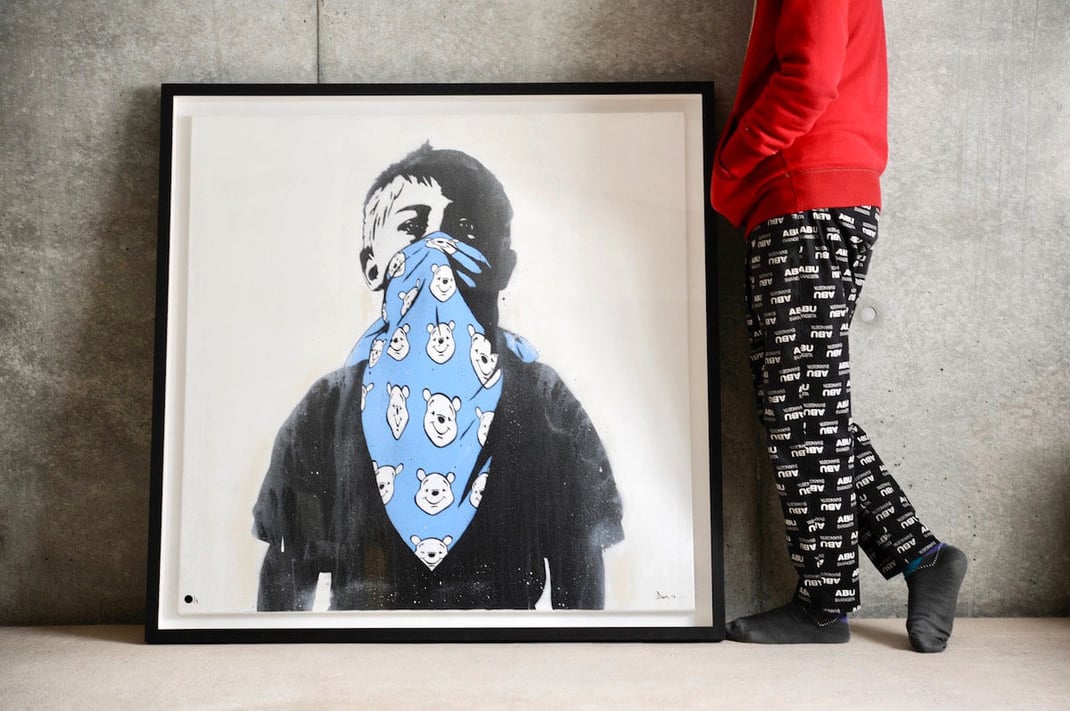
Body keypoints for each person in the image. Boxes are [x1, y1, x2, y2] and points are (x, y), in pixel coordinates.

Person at [252, 144, 624, 610]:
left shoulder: (545, 402)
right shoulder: (328, 408)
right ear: (371, 265)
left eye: (466, 229)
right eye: (413, 227)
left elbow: (582, 579)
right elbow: (286, 579)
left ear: (504, 267)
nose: (438, 249)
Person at [710, 0, 967, 651]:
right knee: (803, 408)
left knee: (802, 409)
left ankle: (825, 603)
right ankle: (921, 557)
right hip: (811, 195)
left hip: (806, 195)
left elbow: (810, 78)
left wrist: (731, 165)